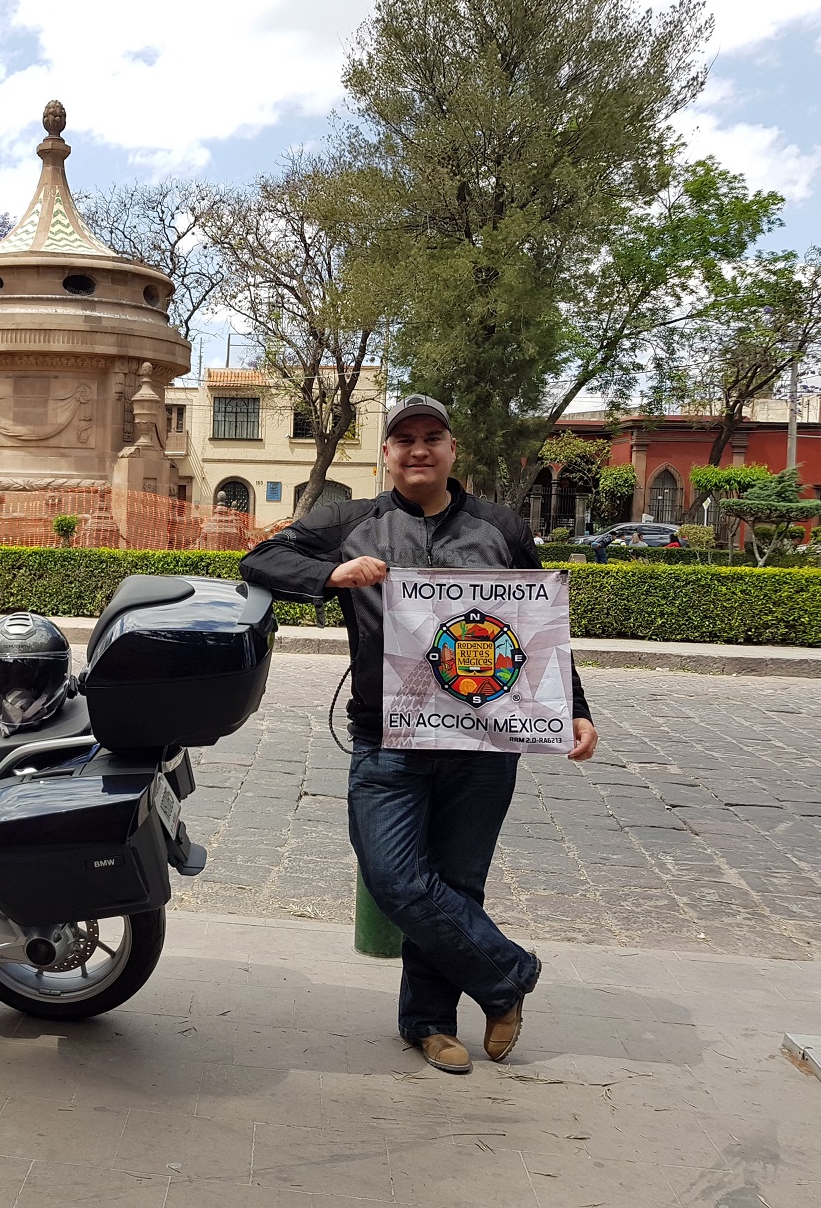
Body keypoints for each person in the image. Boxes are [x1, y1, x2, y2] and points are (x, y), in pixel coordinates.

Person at [240, 394, 598, 1075]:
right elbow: (259, 561)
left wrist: (574, 705)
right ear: (387, 453)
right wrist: (329, 574)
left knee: (457, 885)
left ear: (450, 450)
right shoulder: (349, 521)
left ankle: (429, 1024)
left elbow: (541, 625)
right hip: (387, 738)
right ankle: (505, 976)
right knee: (394, 878)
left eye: (432, 436)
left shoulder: (498, 526)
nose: (417, 450)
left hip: (484, 740)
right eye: (404, 439)